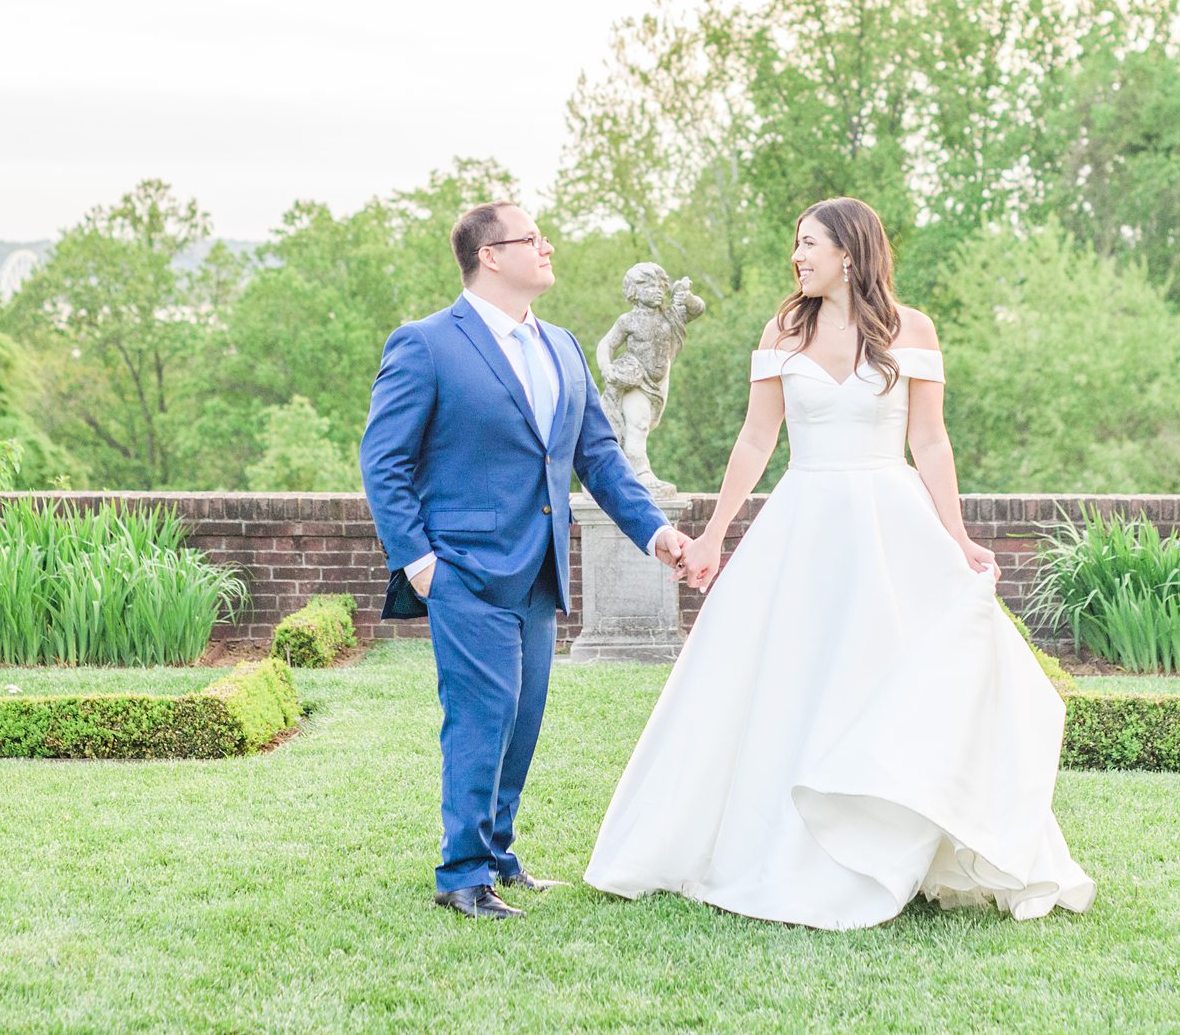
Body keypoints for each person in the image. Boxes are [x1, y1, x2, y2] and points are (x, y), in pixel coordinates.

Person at [584, 196, 1093, 929]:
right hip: (804, 519)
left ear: (850, 252)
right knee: (791, 675)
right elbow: (755, 442)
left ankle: (896, 835)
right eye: (797, 244)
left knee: (890, 670)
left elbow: (932, 442)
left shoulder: (912, 329)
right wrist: (715, 534)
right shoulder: (782, 329)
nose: (798, 256)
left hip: (890, 523)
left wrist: (957, 533)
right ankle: (782, 843)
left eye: (810, 243)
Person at [360, 201, 692, 921]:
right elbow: (382, 460)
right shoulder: (425, 344)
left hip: (539, 572)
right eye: (531, 239)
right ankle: (461, 873)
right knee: (480, 717)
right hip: (462, 570)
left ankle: (498, 851)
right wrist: (420, 563)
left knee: (522, 718)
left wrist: (655, 530)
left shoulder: (565, 346)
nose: (547, 247)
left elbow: (596, 457)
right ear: (489, 256)